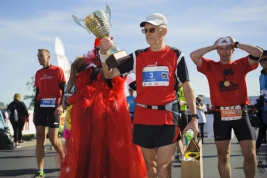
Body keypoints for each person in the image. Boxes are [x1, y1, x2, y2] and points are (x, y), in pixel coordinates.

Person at [99, 13, 199, 178]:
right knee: (151, 170)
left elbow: (187, 87)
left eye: (152, 30)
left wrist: (194, 117)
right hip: (143, 118)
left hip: (167, 118)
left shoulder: (176, 54)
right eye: (145, 30)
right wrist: (104, 53)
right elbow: (108, 73)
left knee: (163, 168)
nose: (147, 34)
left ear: (163, 32)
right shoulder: (136, 55)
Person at [59, 39, 147, 178]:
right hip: (100, 122)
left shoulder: (106, 71)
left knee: (99, 156)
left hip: (106, 121)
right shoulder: (93, 71)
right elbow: (84, 95)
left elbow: (83, 95)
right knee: (104, 157)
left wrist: (67, 101)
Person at [190, 36, 262, 178]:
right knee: (223, 156)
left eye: (227, 48)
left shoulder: (241, 64)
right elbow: (193, 55)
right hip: (220, 114)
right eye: (221, 49)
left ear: (232, 50)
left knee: (250, 155)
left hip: (241, 113)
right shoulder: (211, 66)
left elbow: (258, 53)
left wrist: (236, 43)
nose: (224, 52)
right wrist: (212, 46)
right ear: (217, 51)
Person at [33, 49, 66, 178]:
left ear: (48, 57)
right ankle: (40, 171)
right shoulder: (38, 73)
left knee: (53, 139)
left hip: (54, 106)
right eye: (38, 56)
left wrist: (61, 105)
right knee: (40, 138)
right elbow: (37, 93)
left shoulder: (57, 70)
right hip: (41, 106)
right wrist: (35, 112)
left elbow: (64, 89)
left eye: (41, 56)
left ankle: (64, 157)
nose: (39, 58)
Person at [256, 49, 267, 151]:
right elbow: (262, 94)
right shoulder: (261, 76)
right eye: (260, 60)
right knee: (259, 138)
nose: (262, 62)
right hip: (264, 110)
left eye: (265, 59)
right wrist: (255, 107)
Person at [175, 83, 188, 162]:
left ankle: (178, 152)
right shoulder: (173, 88)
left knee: (183, 133)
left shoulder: (185, 88)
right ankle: (180, 153)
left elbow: (191, 100)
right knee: (177, 133)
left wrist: (183, 102)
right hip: (175, 112)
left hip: (183, 112)